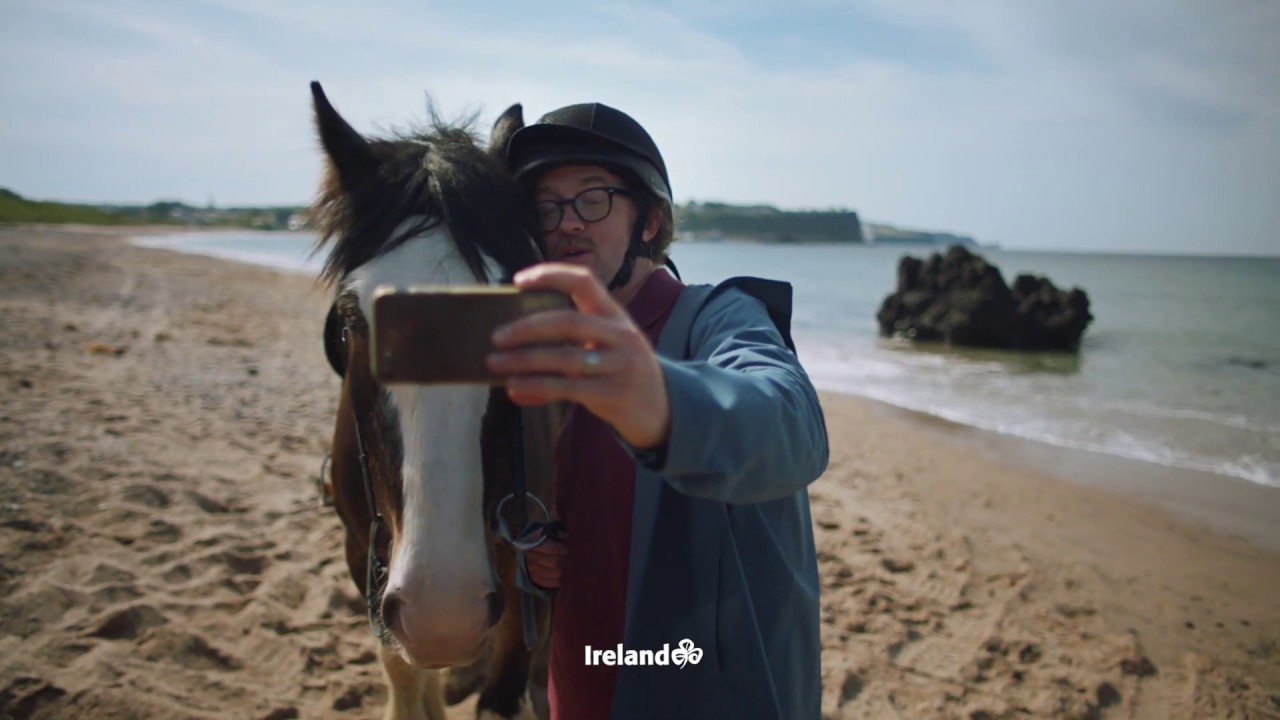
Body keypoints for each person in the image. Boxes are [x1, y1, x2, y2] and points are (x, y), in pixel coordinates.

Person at [486, 102, 829, 720]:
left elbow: (791, 423)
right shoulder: (560, 347)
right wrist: (545, 559)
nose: (567, 221)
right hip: (583, 682)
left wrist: (660, 400)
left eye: (593, 198)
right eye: (547, 206)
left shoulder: (719, 318)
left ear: (650, 220)